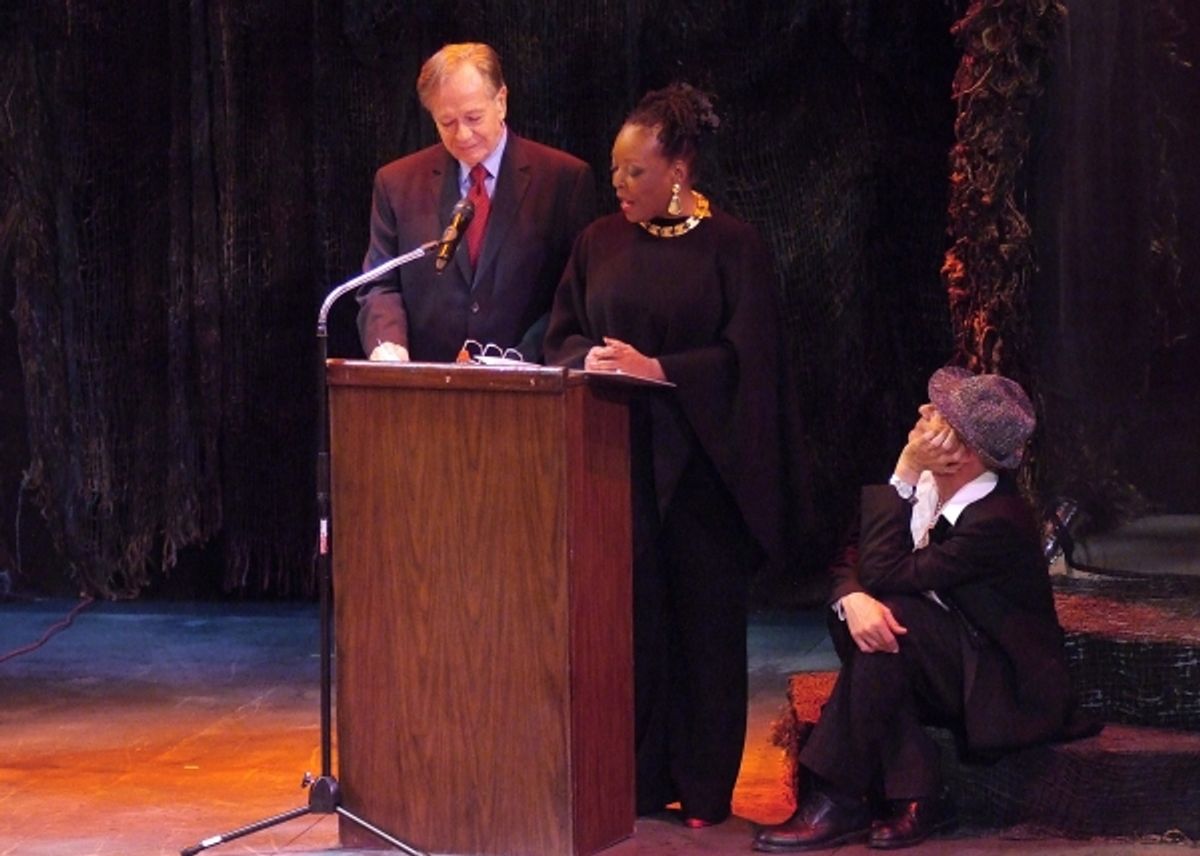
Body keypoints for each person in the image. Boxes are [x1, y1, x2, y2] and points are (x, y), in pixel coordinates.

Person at [543, 83, 809, 827]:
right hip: (614, 466)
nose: (620, 185)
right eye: (616, 171)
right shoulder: (598, 241)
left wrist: (658, 369)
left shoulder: (734, 246)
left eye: (636, 171)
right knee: (629, 630)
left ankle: (700, 787)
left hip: (703, 469)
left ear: (679, 168)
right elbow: (560, 334)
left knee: (703, 634)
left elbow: (749, 358)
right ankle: (628, 781)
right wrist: (593, 358)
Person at [753, 367, 1097, 852]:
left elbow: (886, 572)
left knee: (890, 617)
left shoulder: (996, 520)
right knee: (869, 622)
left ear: (964, 450)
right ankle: (913, 795)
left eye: (938, 414)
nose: (922, 412)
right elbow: (851, 559)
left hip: (997, 680)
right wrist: (852, 598)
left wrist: (904, 471)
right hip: (937, 653)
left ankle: (838, 796)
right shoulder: (930, 491)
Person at [357, 42, 596, 363]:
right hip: (426, 388)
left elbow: (574, 295)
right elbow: (378, 284)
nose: (463, 135)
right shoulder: (397, 183)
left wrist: (519, 357)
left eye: (473, 117)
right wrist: (387, 344)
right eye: (447, 123)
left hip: (530, 387)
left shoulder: (563, 180)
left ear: (501, 101)